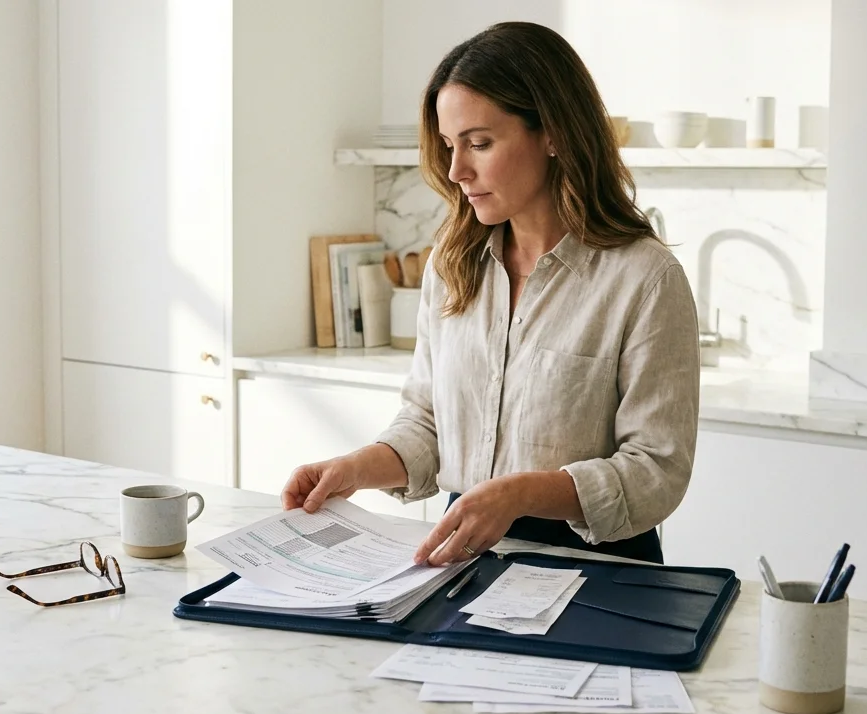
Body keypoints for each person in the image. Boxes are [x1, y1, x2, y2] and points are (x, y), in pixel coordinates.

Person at [281, 21, 700, 567]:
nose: (456, 170)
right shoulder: (452, 266)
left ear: (553, 133)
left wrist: (520, 495)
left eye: (479, 143)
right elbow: (429, 422)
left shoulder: (645, 279)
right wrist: (356, 468)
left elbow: (656, 470)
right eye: (450, 145)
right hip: (464, 560)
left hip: (600, 572)